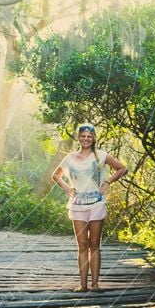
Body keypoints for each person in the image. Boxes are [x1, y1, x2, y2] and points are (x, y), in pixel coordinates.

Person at [52, 123, 127, 292]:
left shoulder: (101, 155)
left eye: (89, 136)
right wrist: (66, 188)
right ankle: (83, 285)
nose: (86, 139)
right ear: (78, 137)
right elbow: (56, 175)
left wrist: (108, 181)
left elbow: (123, 168)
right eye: (83, 135)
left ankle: (95, 285)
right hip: (77, 205)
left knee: (95, 244)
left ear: (94, 138)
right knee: (82, 245)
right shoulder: (70, 157)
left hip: (97, 204)